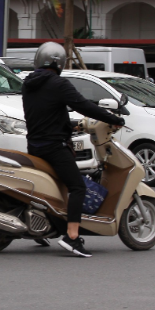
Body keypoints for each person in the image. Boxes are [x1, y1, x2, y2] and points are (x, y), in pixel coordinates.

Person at [22, 42, 125, 258]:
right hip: (54, 147)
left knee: (55, 186)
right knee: (77, 186)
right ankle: (72, 236)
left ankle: (44, 226)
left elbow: (44, 116)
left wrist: (72, 125)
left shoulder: (29, 84)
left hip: (35, 145)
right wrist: (114, 119)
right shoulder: (58, 84)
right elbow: (84, 105)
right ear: (59, 63)